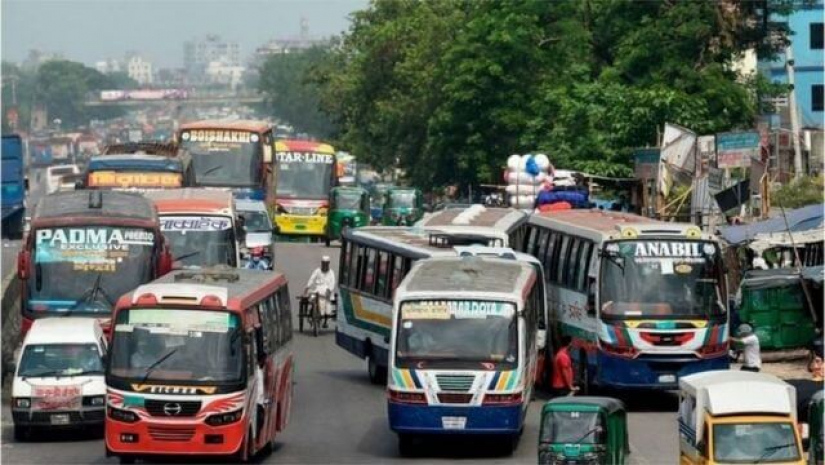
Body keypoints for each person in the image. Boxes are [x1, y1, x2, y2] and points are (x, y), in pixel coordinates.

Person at [305, 256, 336, 328]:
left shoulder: (331, 272)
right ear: (321, 263)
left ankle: (325, 321)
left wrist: (329, 290)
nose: (324, 265)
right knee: (311, 297)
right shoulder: (317, 271)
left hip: (327, 293)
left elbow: (333, 283)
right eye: (323, 263)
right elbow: (312, 279)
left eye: (326, 263)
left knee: (327, 308)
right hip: (317, 291)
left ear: (328, 263)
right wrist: (307, 287)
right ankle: (312, 311)